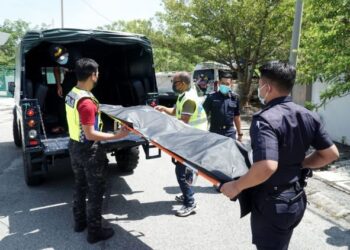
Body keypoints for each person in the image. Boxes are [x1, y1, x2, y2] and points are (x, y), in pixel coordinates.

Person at [221, 61, 339, 249]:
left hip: (273, 203)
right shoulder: (309, 115)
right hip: (296, 199)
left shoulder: (265, 119)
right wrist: (302, 164)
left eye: (259, 84)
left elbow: (267, 166)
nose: (259, 88)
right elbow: (330, 154)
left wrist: (236, 186)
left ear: (267, 87)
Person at [65, 58, 129, 244]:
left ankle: (79, 223)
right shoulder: (86, 102)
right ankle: (94, 231)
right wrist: (118, 136)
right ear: (92, 75)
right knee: (95, 191)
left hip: (74, 146)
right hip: (88, 150)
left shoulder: (72, 94)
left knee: (79, 185)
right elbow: (91, 134)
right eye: (97, 73)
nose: (98, 75)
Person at [154, 72, 208, 217]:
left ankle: (190, 203)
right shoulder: (183, 96)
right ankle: (187, 195)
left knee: (182, 172)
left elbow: (183, 121)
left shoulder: (189, 99)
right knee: (184, 170)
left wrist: (162, 124)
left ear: (183, 83)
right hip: (188, 139)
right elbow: (175, 112)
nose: (173, 84)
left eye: (174, 82)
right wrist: (163, 109)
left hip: (193, 140)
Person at [203, 71, 243, 141]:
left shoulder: (235, 98)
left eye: (227, 84)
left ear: (231, 84)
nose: (225, 85)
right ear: (219, 83)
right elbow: (203, 115)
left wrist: (240, 133)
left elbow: (237, 116)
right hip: (214, 133)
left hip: (230, 133)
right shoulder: (211, 97)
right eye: (223, 83)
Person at [50, 44, 81, 133]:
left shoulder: (75, 53)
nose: (61, 59)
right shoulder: (54, 56)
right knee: (65, 102)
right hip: (69, 77)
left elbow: (82, 70)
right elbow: (56, 70)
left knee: (79, 101)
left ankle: (81, 127)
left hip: (79, 75)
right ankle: (65, 126)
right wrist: (59, 86)